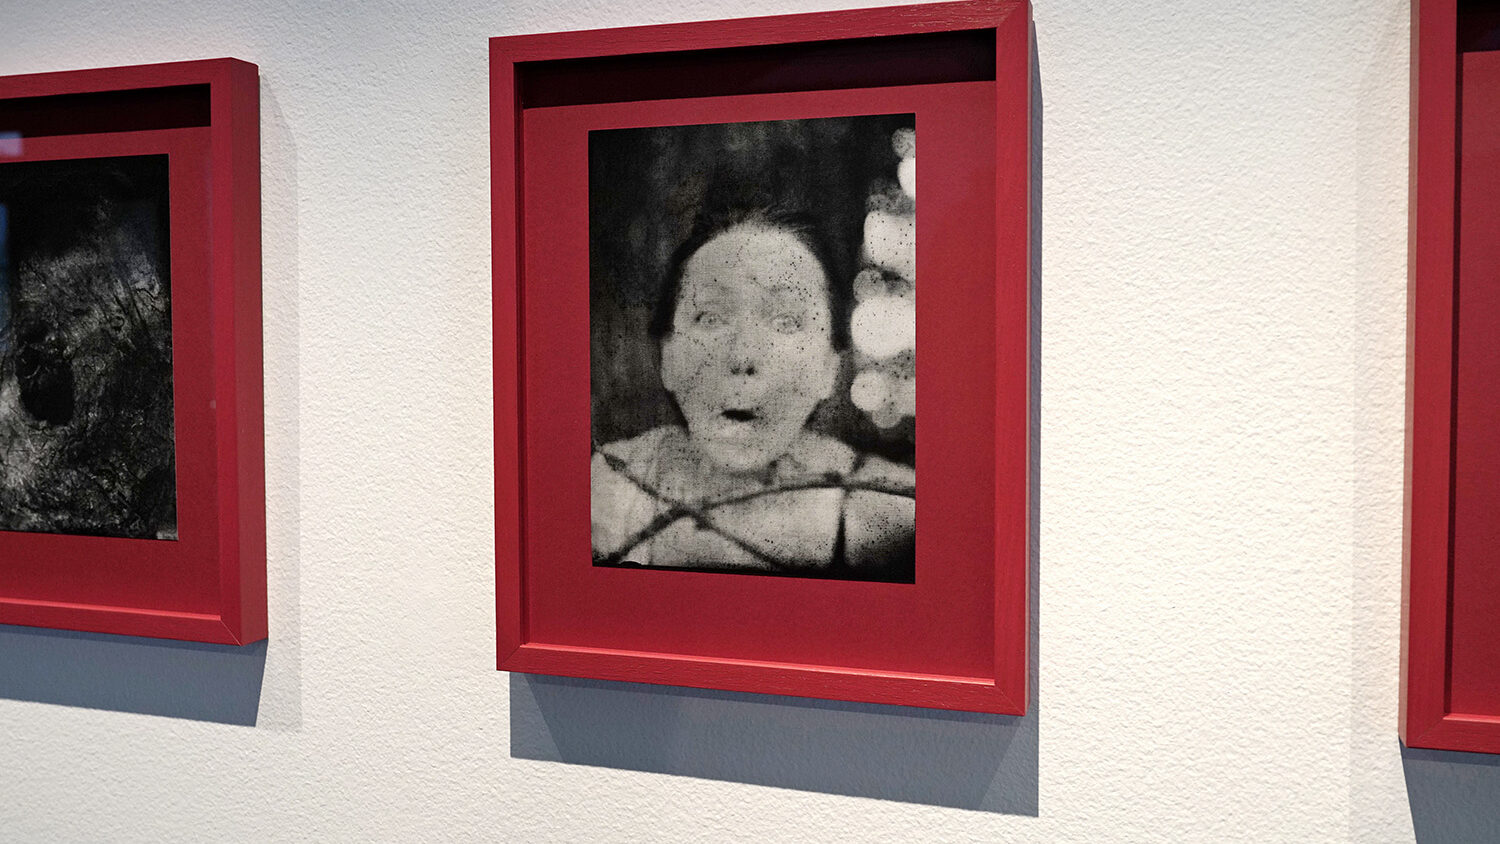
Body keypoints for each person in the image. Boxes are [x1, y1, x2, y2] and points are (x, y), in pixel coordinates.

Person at [591, 208, 915, 580]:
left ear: (829, 369)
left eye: (786, 322)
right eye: (711, 317)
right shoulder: (605, 489)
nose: (743, 356)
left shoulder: (896, 513)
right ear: (668, 357)